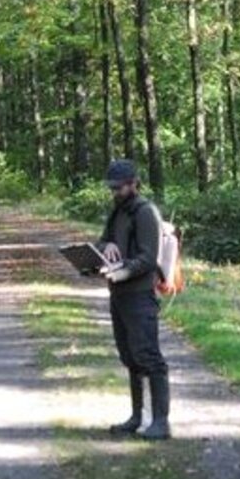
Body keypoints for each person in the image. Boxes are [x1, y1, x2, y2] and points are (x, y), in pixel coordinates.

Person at [97, 158, 170, 440]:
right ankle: (137, 416)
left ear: (134, 184)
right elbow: (102, 240)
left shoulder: (145, 212)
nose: (115, 192)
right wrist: (108, 246)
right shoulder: (117, 212)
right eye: (112, 188)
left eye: (119, 187)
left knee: (149, 356)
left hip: (139, 295)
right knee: (129, 356)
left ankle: (161, 422)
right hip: (119, 296)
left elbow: (149, 258)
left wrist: (121, 272)